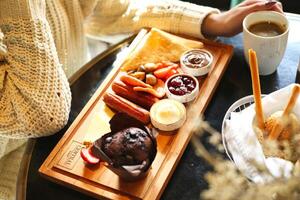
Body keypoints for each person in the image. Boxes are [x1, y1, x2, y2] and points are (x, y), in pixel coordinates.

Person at [0, 0, 282, 199]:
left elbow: (116, 10)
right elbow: (42, 114)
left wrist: (211, 21)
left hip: (84, 112)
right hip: (15, 169)